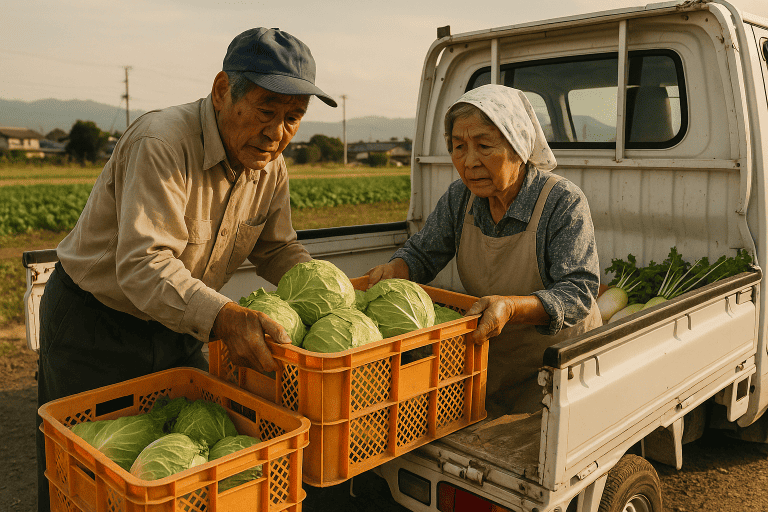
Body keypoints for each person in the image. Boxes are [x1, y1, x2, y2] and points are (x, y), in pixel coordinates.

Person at [36, 27, 336, 512]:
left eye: (293, 119)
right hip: (95, 325)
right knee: (88, 470)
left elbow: (278, 249)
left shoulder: (269, 165)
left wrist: (329, 293)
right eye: (266, 111)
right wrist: (226, 319)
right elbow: (143, 264)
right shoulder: (163, 142)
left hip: (180, 325)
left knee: (176, 473)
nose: (278, 133)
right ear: (222, 91)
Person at [366, 84, 602, 415]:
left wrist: (509, 308)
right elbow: (421, 255)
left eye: (484, 145)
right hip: (494, 362)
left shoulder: (562, 202)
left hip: (561, 366)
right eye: (458, 147)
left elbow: (578, 294)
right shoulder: (460, 198)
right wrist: (394, 269)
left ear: (519, 146)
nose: (470, 161)